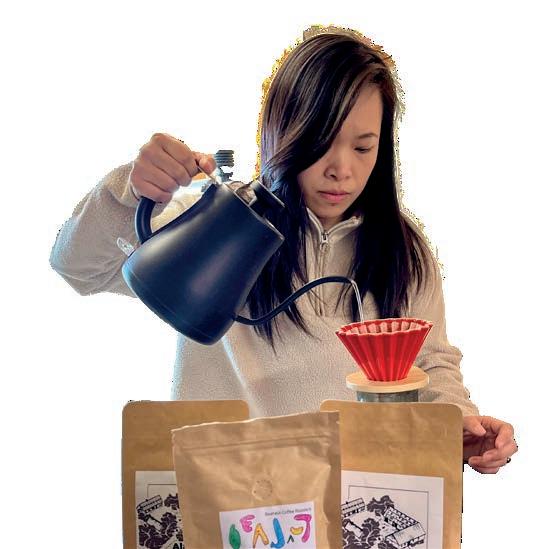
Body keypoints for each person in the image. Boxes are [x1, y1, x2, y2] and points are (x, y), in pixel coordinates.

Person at [50, 26, 517, 473]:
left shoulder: (404, 251)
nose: (341, 169)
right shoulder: (220, 221)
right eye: (322, 142)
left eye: (363, 148)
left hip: (347, 499)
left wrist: (460, 422)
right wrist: (129, 192)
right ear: (284, 133)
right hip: (225, 494)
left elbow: (429, 362)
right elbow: (78, 267)